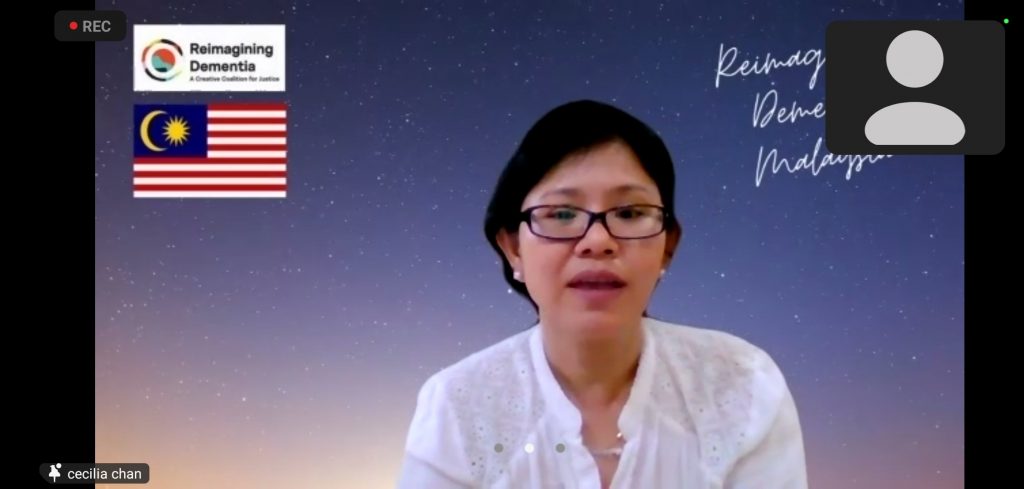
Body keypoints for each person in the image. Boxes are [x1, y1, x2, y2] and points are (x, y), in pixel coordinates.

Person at [396, 100, 808, 488]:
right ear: (513, 248)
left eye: (629, 213)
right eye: (561, 214)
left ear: (667, 246)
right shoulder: (457, 406)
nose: (598, 241)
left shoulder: (742, 385)